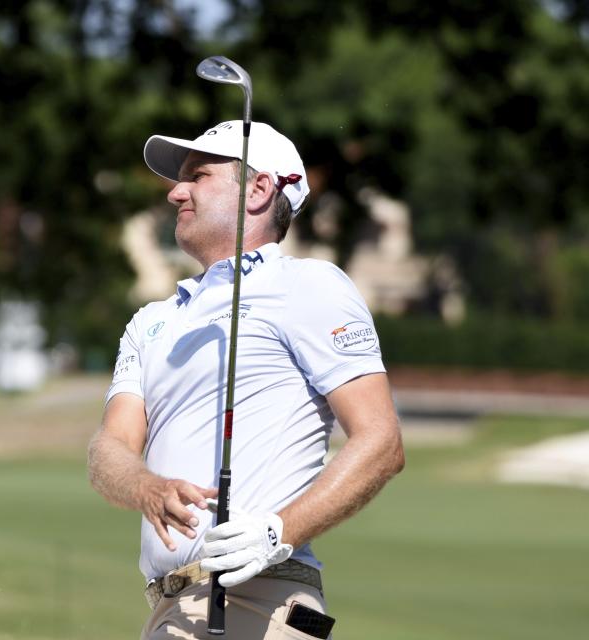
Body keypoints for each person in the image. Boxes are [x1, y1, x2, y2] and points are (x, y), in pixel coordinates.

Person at [87, 120, 405, 639]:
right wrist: (144, 485)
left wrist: (277, 532)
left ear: (260, 190)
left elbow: (381, 441)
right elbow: (110, 447)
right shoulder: (151, 321)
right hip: (170, 609)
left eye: (198, 176)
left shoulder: (309, 285)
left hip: (261, 599)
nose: (174, 192)